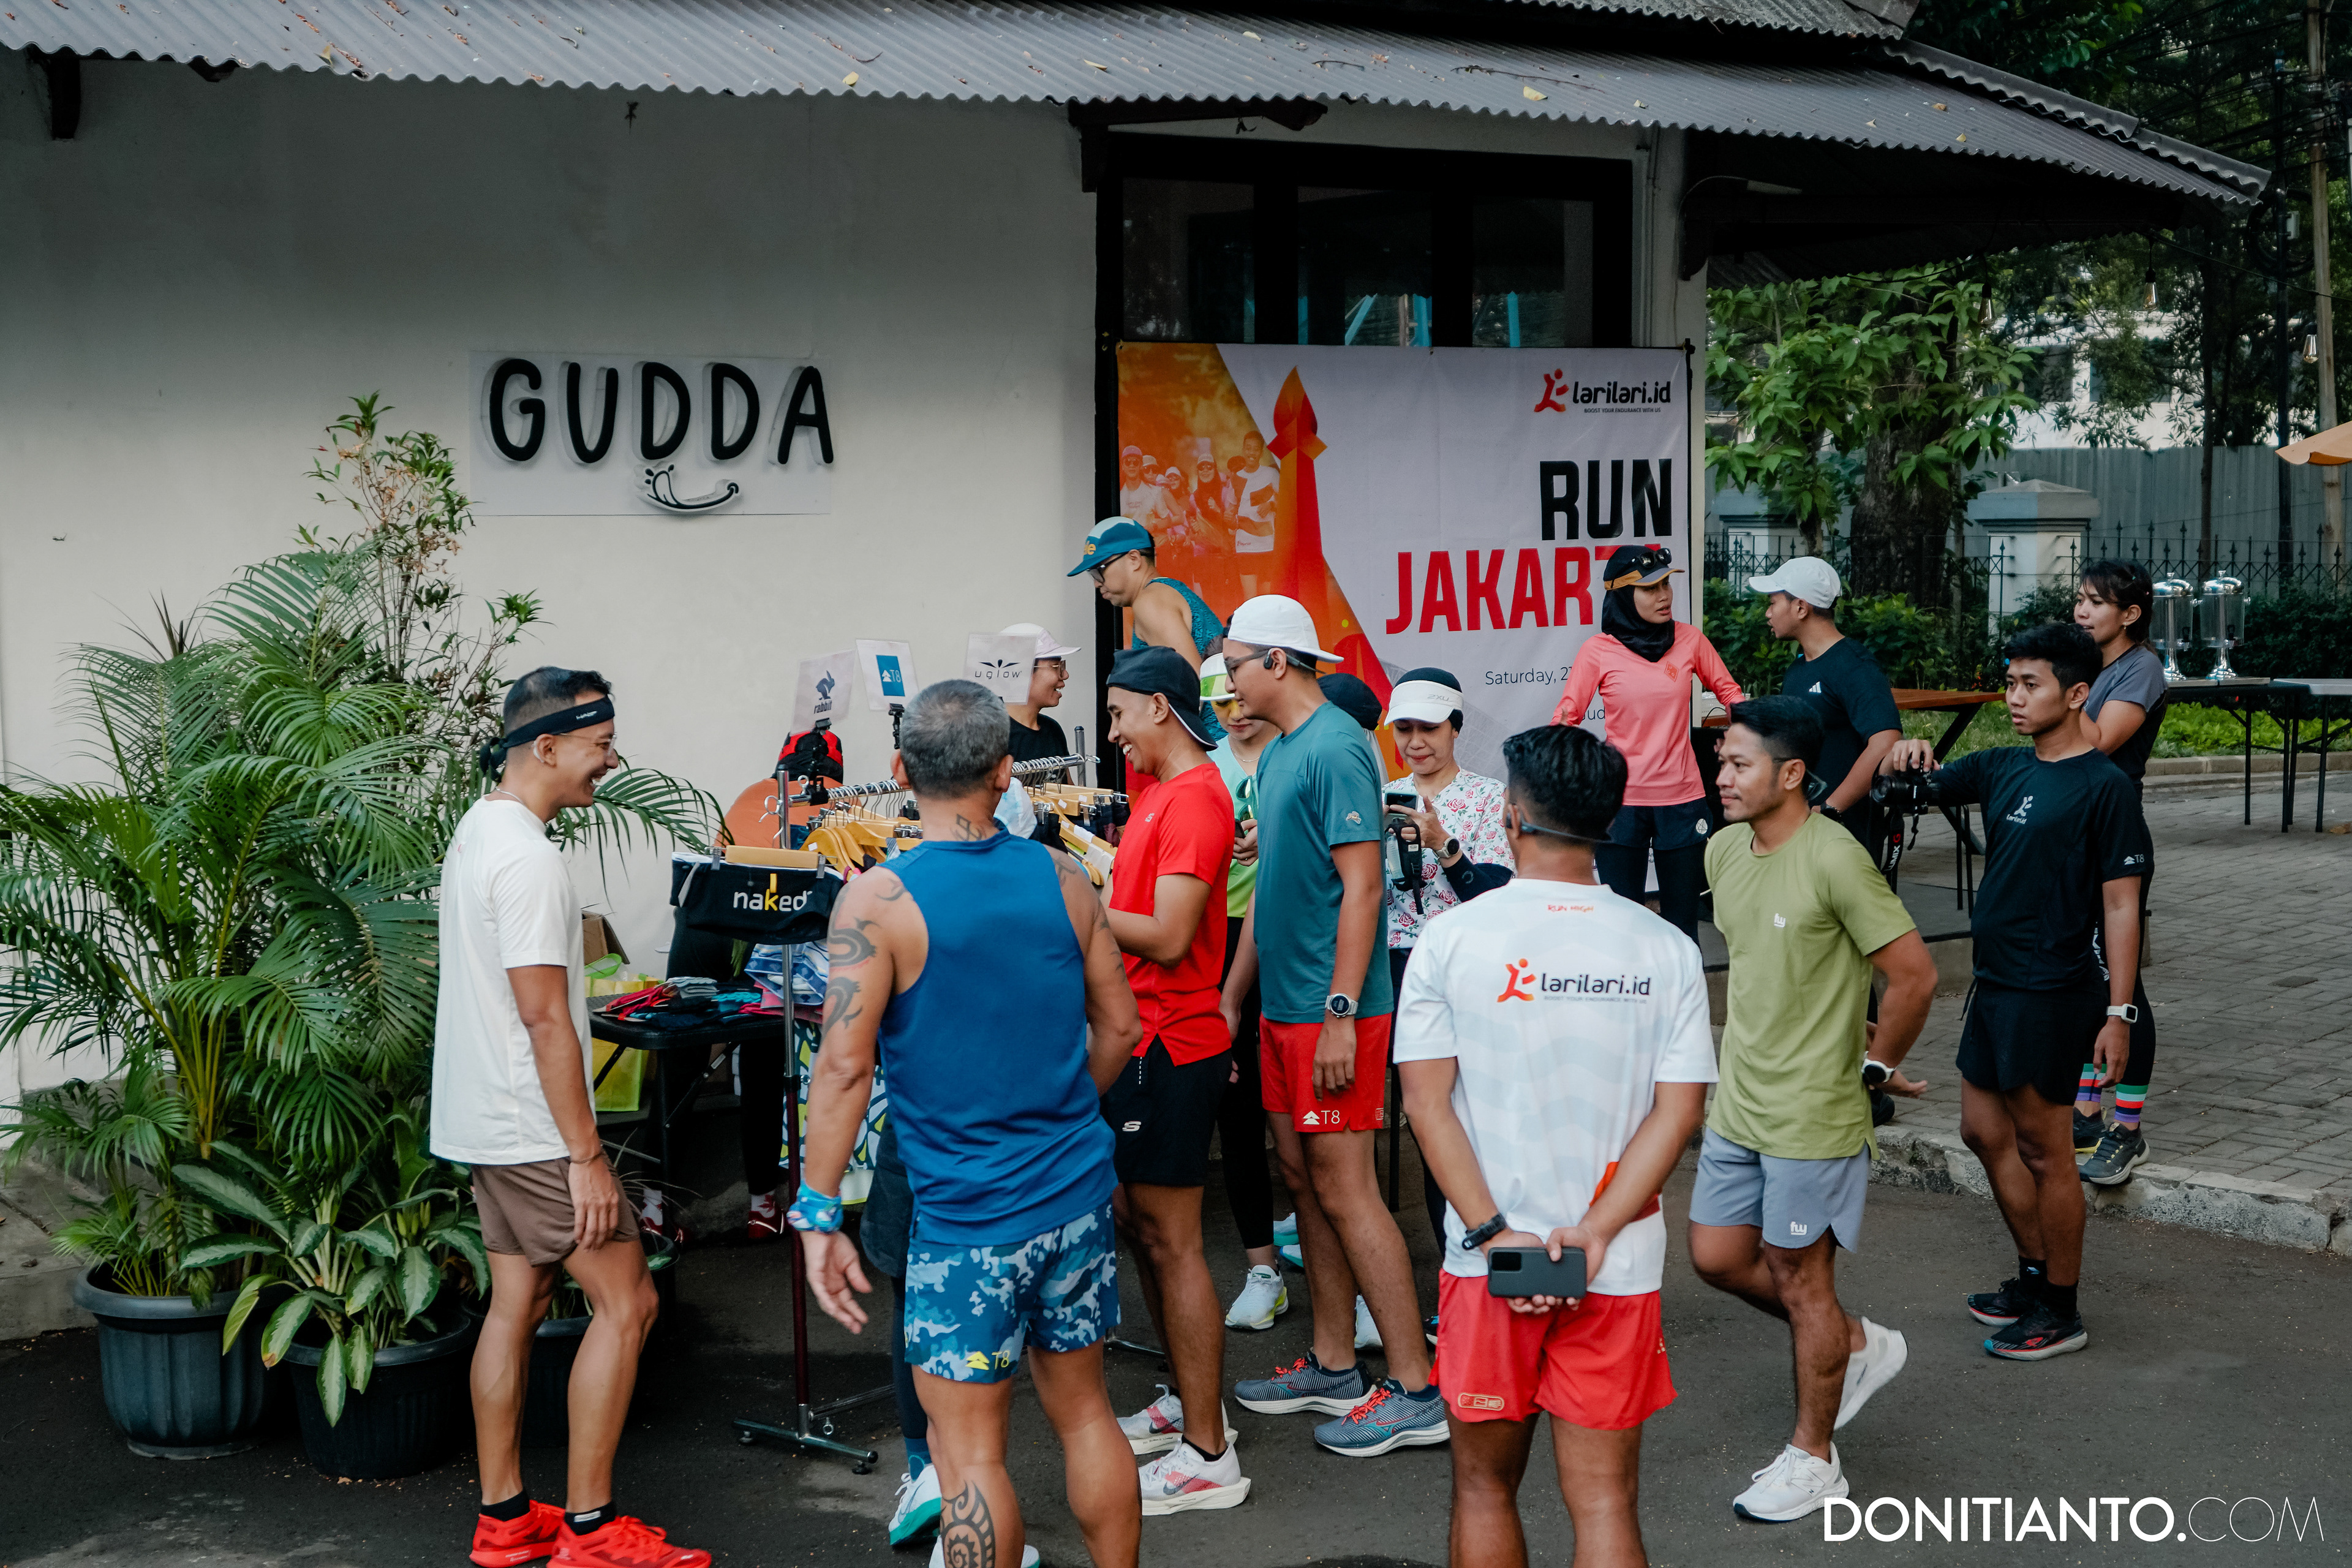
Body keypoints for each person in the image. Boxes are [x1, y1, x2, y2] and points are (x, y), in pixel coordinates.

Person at [794, 680, 1144, 1568]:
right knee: (1087, 1414)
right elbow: (1120, 1028)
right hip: (1073, 1196)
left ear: (900, 769)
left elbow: (843, 1069)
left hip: (964, 1219)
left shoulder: (878, 901)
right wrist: (1062, 1109)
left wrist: (818, 1211)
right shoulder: (1064, 879)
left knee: (971, 1454)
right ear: (1004, 771)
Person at [1398, 723, 1714, 1568]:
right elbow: (1677, 1112)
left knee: (1483, 1488)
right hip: (1616, 1259)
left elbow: (1427, 1104)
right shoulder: (1668, 948)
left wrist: (1496, 1233)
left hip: (1487, 1262)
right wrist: (1597, 1232)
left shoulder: (1451, 938)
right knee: (1606, 1501)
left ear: (1510, 814)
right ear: (1610, 820)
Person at [435, 668, 709, 1568]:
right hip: (535, 1131)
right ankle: (591, 1532)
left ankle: (506, 1520)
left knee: (516, 1302)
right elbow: (546, 1016)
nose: (611, 762)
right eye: (601, 746)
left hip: (487, 1120)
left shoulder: (479, 829)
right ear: (546, 746)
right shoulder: (527, 857)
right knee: (629, 1302)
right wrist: (586, 1157)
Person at [1689, 698, 1938, 1524]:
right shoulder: (1725, 849)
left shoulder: (1836, 859)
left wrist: (1875, 1064)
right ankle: (1856, 1341)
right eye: (1721, 763)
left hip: (1814, 1113)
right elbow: (1784, 967)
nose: (1722, 778)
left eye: (1739, 765)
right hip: (1740, 1101)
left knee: (1802, 1283)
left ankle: (1814, 1457)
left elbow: (1914, 976)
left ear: (1792, 773)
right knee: (1717, 1257)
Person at [1880, 621, 2151, 1365]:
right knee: (1981, 1130)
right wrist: (1906, 751)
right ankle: (2034, 1276)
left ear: (2077, 692)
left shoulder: (2104, 787)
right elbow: (1923, 782)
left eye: (2031, 684)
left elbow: (2122, 905)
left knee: (2045, 1147)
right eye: (2010, 683)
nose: (2015, 697)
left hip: (2053, 988)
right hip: (1995, 982)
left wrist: (2119, 1012)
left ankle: (2060, 1307)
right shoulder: (2003, 765)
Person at [1218, 595, 1447, 1458]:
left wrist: (1343, 1012)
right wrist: (1234, 998)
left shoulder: (1339, 746)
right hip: (1285, 1008)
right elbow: (1273, 889)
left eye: (1235, 666)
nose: (1229, 685)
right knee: (1305, 1180)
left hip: (1330, 1011)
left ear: (1277, 662)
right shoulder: (1280, 753)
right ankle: (1333, 1363)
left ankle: (1416, 1389)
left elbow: (1365, 888)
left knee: (1346, 1188)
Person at [1095, 646, 1251, 1513]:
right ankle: (1192, 1405)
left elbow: (1168, 933)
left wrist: (1074, 902)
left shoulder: (1193, 797)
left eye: (1120, 713)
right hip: (1145, 1042)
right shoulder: (1161, 793)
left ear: (1160, 706)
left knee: (1175, 1242)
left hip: (1171, 1046)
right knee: (1145, 1231)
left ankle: (1208, 1454)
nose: (1113, 732)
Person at [1551, 544, 1744, 942]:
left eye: (1666, 585)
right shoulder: (1598, 650)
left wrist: (1752, 738)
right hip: (1620, 804)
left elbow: (1730, 694)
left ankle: (1684, 987)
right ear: (1624, 594)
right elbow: (1566, 718)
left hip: (1683, 800)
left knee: (1682, 928)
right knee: (1621, 927)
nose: (1664, 596)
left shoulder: (1690, 640)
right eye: (1650, 588)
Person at [1381, 669, 1514, 1232]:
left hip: (1466, 970)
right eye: (1404, 729)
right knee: (1413, 1116)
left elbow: (1497, 898)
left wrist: (1444, 845)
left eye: (1429, 728)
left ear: (1456, 729)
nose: (1416, 742)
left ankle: (1467, 1248)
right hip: (1393, 967)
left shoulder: (1488, 798)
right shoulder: (1382, 797)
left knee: (1460, 1116)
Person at [2071, 560, 2166, 1186]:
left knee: (2120, 981)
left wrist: (2066, 690)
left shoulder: (2141, 668)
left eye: (2096, 602)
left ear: (2129, 614)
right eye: (2079, 599)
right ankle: (2085, 1111)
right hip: (2074, 827)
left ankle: (2127, 1128)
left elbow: (2098, 740)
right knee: (2083, 970)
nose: (2082, 611)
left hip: (2115, 830)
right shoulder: (2090, 666)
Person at [1202, 655, 1288, 1334]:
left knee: (1303, 1122)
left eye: (1238, 695)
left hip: (1291, 942)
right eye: (1218, 701)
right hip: (1217, 940)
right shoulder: (1202, 772)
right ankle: (1263, 1267)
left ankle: (1343, 1268)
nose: (1233, 711)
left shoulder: (1297, 757)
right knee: (1236, 1109)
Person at [1748, 558, 1903, 854]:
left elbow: (1885, 743)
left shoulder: (1855, 665)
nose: (1768, 613)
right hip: (1797, 829)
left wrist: (1831, 809)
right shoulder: (1797, 669)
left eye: (1773, 603)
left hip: (1842, 836)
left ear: (1801, 608)